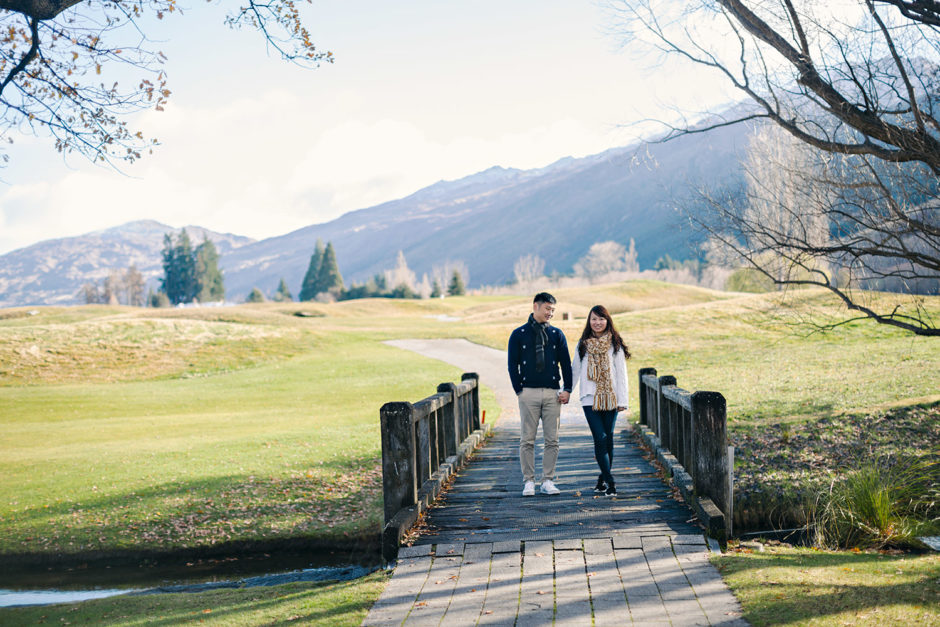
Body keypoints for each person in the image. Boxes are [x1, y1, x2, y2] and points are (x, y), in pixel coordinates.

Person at [507, 292, 572, 496]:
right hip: (528, 393)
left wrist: (567, 389)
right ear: (536, 306)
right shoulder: (518, 334)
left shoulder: (556, 334)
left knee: (552, 440)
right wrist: (520, 391)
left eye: (553, 310)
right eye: (547, 309)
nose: (550, 313)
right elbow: (512, 365)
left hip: (553, 393)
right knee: (527, 439)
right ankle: (528, 481)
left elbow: (566, 364)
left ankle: (547, 481)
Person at [570, 305, 630, 497]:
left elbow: (621, 374)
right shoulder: (582, 344)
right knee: (600, 438)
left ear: (608, 321)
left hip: (610, 398)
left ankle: (602, 478)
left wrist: (623, 400)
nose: (597, 323)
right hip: (589, 398)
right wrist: (566, 391)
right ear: (589, 321)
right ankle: (610, 481)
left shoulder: (615, 344)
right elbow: (575, 371)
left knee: (608, 439)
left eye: (601, 319)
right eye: (594, 319)